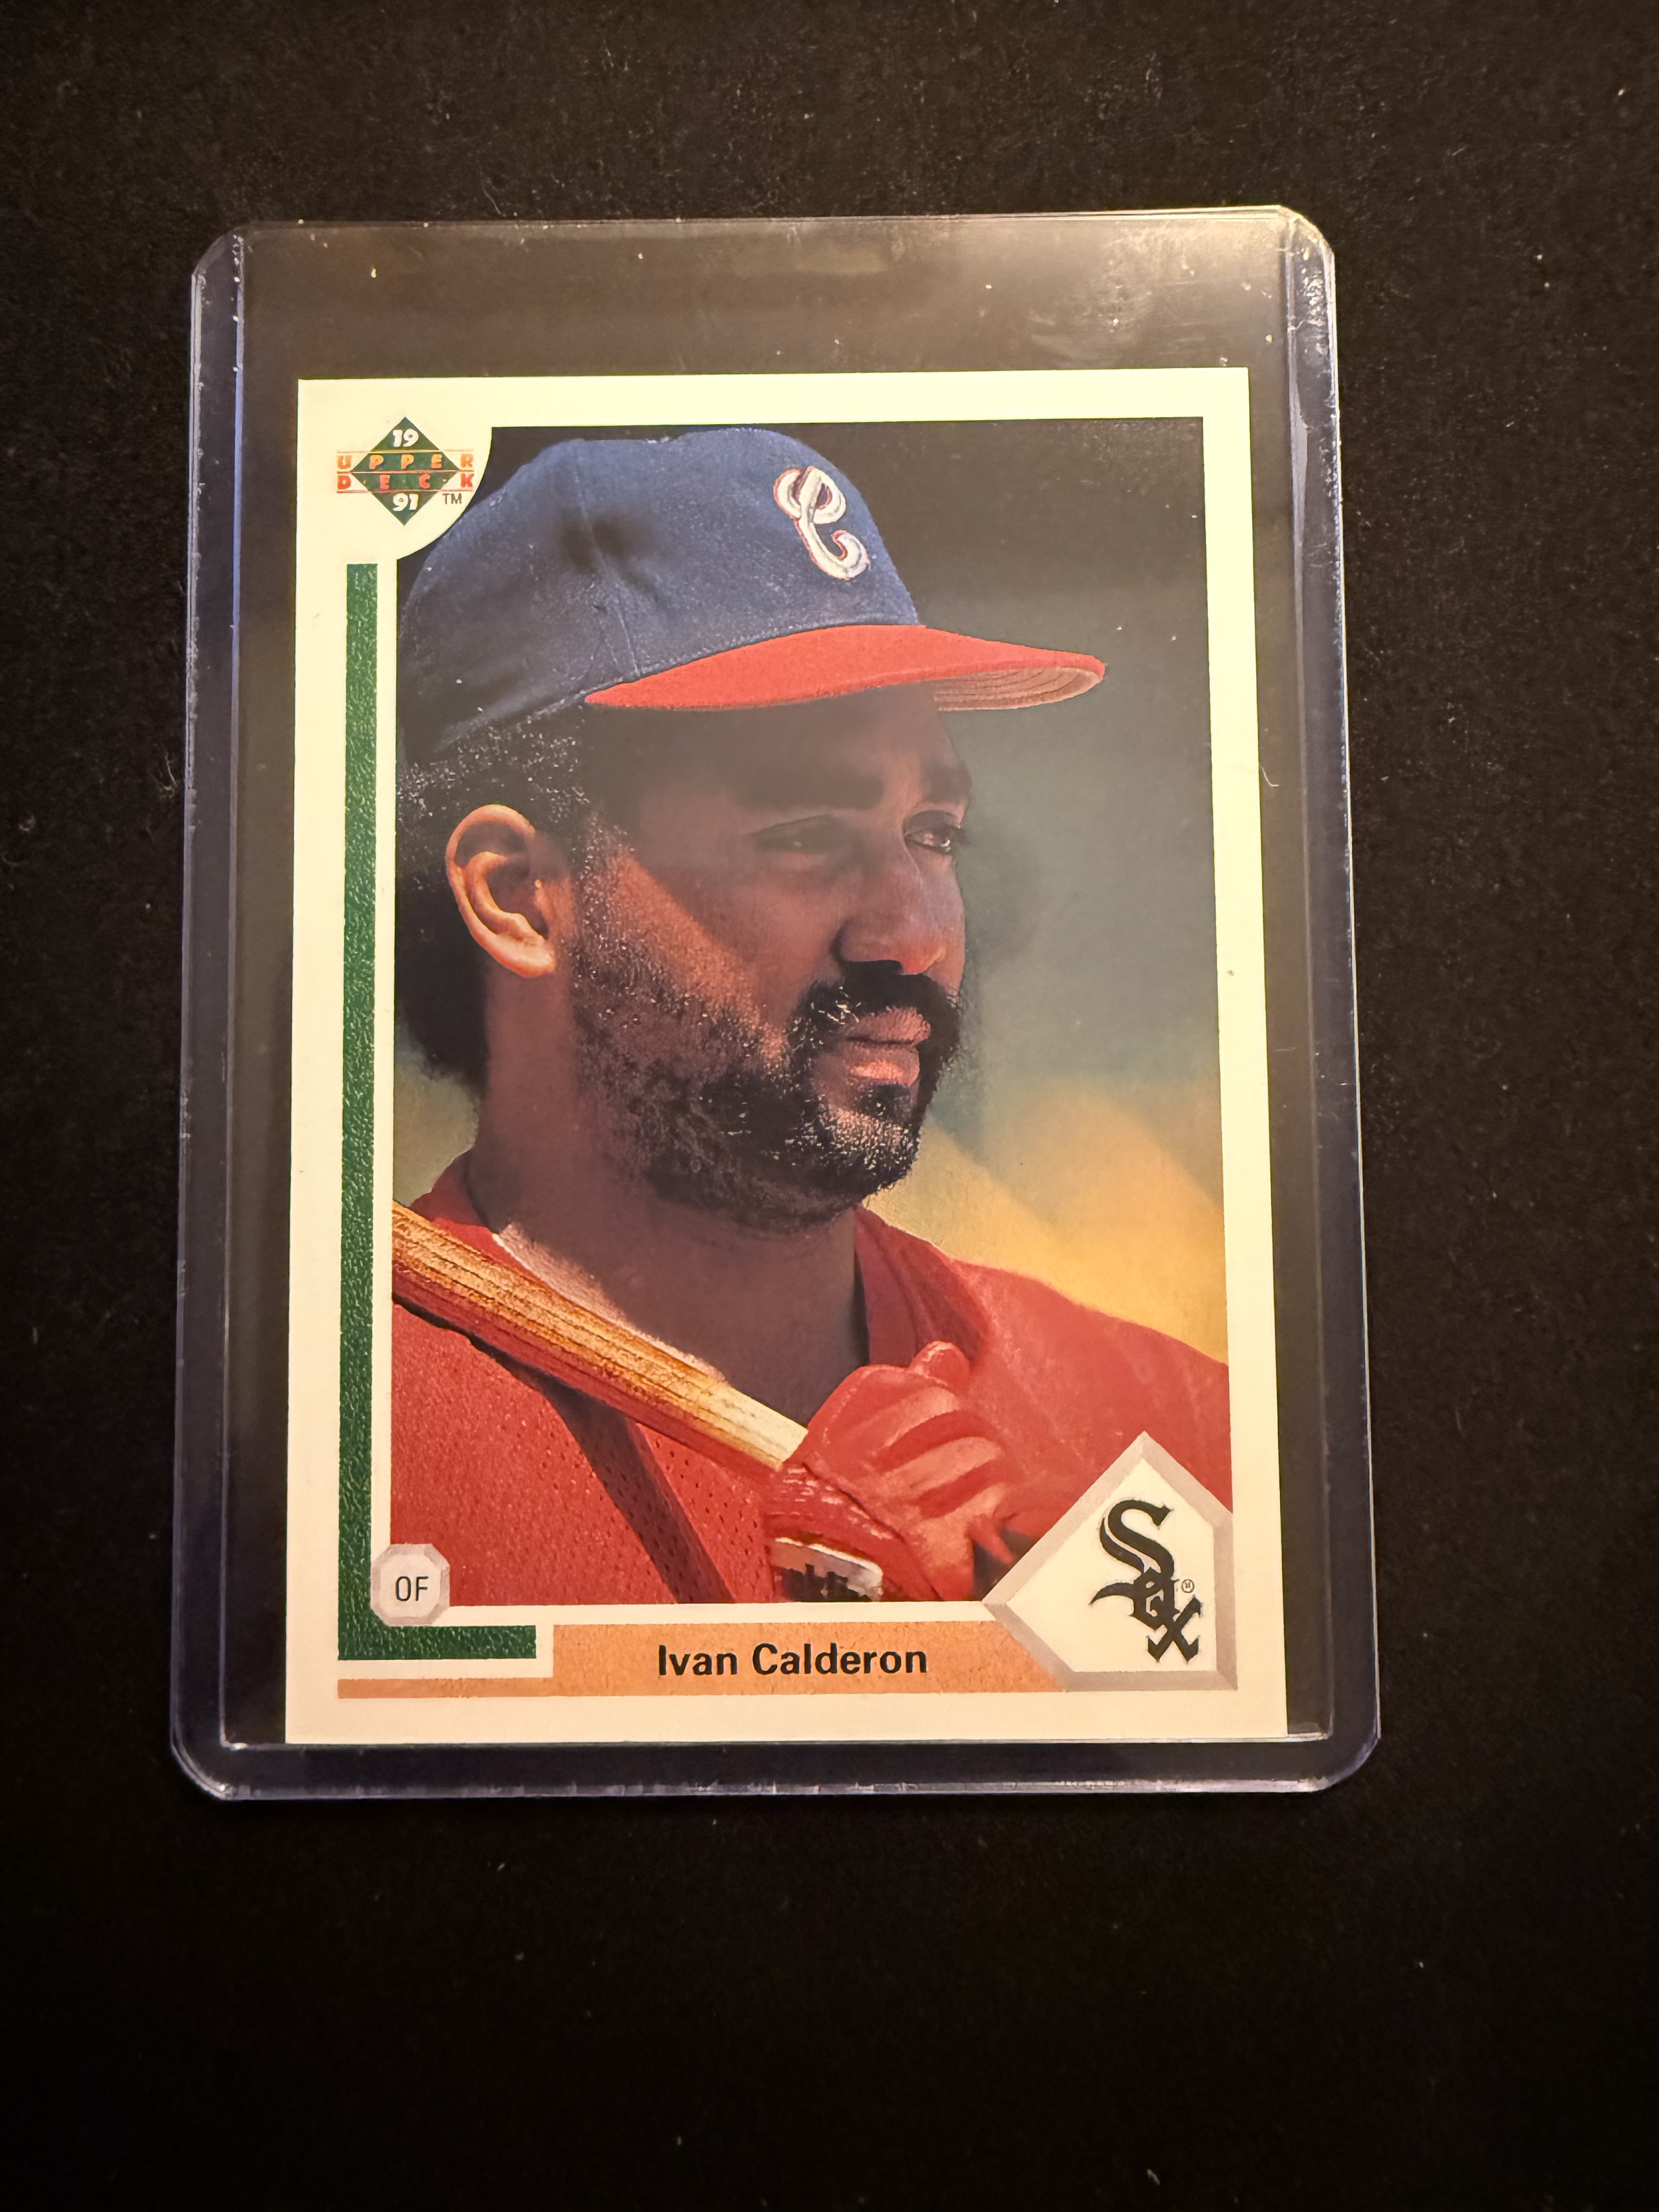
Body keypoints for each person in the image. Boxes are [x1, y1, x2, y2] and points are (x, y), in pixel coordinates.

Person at [391, 427, 1229, 1606]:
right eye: (803, 835)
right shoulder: (332, 1463)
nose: (915, 935)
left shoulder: (1172, 1433)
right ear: (522, 897)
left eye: (933, 834)